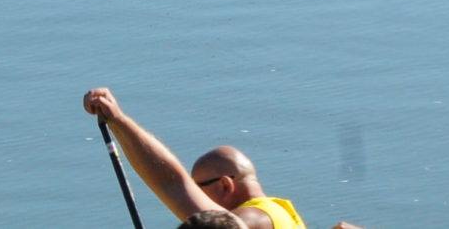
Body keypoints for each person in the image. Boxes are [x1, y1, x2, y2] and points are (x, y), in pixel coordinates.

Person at [80, 87, 306, 229]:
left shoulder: (256, 217)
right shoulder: (284, 212)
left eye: (198, 187)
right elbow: (171, 184)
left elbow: (175, 185)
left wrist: (118, 120)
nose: (193, 195)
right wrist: (117, 121)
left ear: (225, 185)